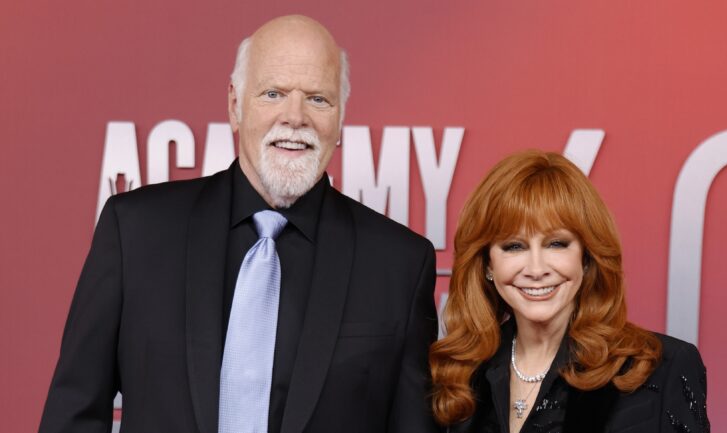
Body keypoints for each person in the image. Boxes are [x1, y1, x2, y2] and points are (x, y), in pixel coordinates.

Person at [40, 15, 439, 433]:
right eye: (273, 93)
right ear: (235, 104)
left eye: (318, 99)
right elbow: (74, 415)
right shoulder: (136, 232)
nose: (295, 117)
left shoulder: (400, 264)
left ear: (340, 119)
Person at [429, 150, 709, 433]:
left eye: (556, 244)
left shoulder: (661, 367)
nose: (536, 269)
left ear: (586, 257)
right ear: (487, 264)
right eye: (514, 246)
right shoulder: (457, 376)